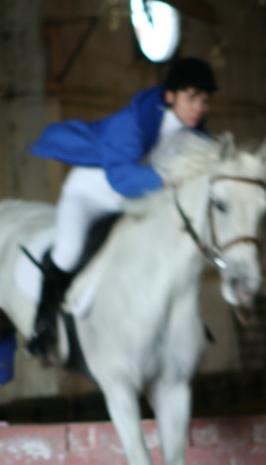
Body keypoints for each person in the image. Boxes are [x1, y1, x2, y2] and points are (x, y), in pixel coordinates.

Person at [26, 56, 218, 357]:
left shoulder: (198, 136)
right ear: (170, 96)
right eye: (191, 97)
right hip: (90, 196)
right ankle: (43, 324)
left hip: (134, 203)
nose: (199, 108)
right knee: (69, 251)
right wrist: (168, 180)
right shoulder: (131, 121)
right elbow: (123, 179)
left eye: (204, 101)